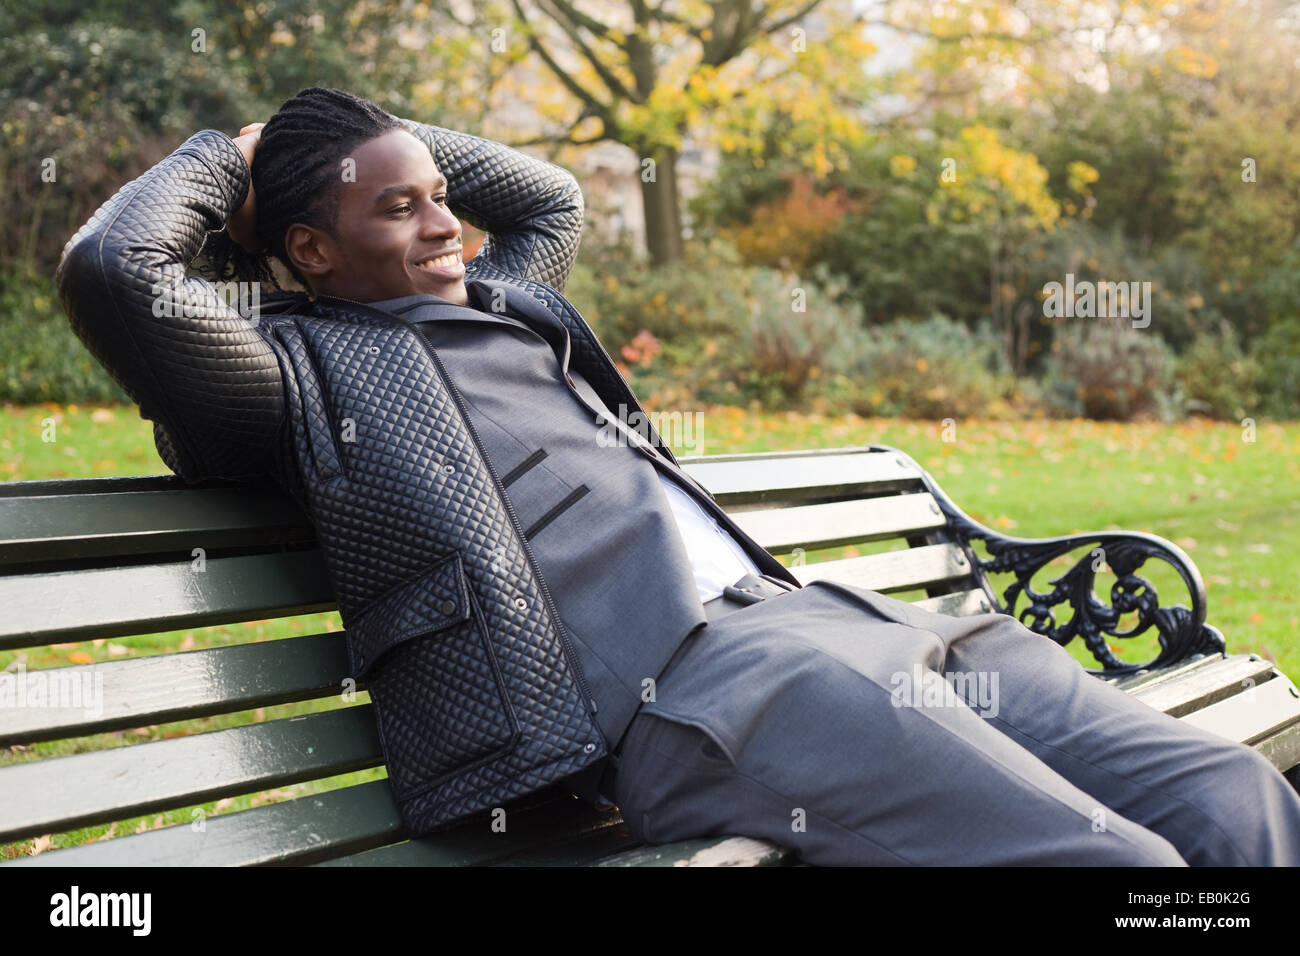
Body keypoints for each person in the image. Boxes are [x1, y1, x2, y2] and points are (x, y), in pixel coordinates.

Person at [59, 88, 1300, 866]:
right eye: (397, 211)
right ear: (310, 250)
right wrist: (241, 150)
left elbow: (539, 192)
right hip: (709, 696)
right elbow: (117, 265)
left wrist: (367, 132)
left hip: (845, 625)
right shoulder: (289, 374)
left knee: (1231, 795)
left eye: (441, 199)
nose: (447, 225)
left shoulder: (508, 301)